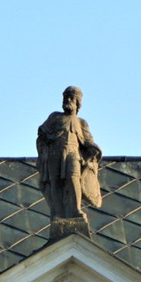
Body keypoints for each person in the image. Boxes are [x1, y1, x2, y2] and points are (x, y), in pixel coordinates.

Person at [36, 86, 103, 230]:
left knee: (73, 179)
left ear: (78, 103)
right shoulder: (54, 117)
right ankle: (58, 213)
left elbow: (88, 141)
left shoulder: (81, 123)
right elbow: (41, 132)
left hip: (73, 154)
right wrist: (46, 143)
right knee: (56, 183)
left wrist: (93, 152)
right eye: (65, 97)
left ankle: (75, 209)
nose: (67, 100)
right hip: (55, 153)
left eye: (71, 98)